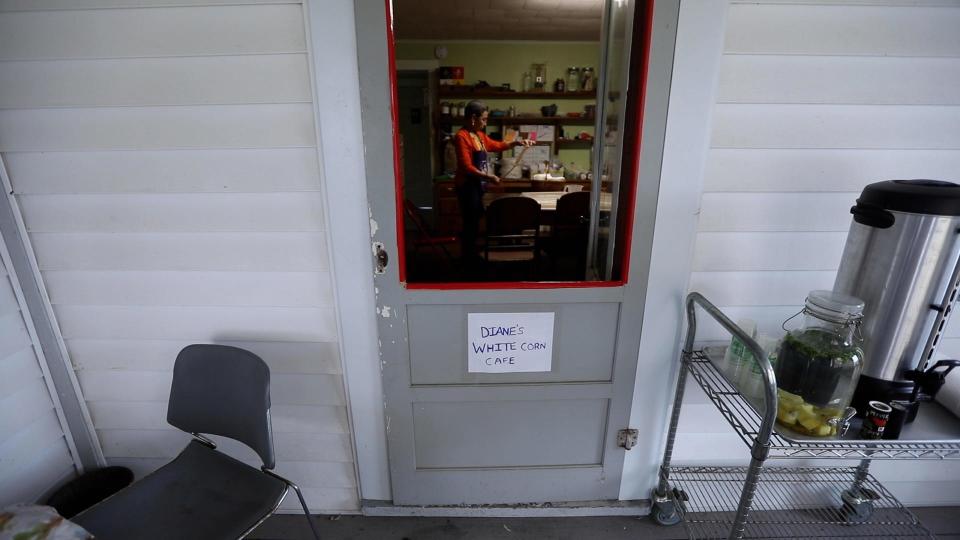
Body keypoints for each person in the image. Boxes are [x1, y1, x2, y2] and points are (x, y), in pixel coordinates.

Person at [454, 100, 534, 263]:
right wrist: (489, 177)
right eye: (483, 119)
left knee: (476, 220)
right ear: (473, 118)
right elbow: (466, 166)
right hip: (467, 186)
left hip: (477, 184)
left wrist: (517, 142)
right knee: (471, 223)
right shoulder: (461, 136)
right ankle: (467, 259)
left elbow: (497, 145)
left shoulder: (479, 135)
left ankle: (472, 255)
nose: (486, 122)